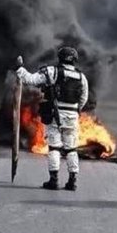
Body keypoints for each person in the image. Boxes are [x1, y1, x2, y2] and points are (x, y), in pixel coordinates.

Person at [17, 46, 90, 191]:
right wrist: (75, 110)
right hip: (72, 116)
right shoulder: (82, 77)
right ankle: (72, 181)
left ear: (60, 57)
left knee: (54, 147)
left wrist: (20, 68)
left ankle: (54, 180)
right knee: (71, 149)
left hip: (55, 114)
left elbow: (30, 79)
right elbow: (83, 98)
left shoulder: (52, 71)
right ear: (74, 60)